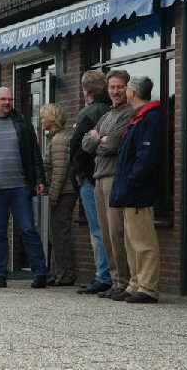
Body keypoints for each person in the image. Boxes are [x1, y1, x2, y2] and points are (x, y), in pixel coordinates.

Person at [0, 87, 48, 289]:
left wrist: (39, 178)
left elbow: (34, 154)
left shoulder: (22, 123)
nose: (7, 102)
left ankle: (40, 273)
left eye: (10, 99)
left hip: (20, 186)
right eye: (3, 99)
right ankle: (0, 273)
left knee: (28, 228)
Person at [82, 69, 135, 299]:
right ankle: (115, 281)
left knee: (116, 232)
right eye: (112, 87)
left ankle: (124, 281)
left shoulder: (128, 113)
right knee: (105, 233)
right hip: (99, 177)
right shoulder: (106, 115)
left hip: (114, 176)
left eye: (119, 87)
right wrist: (98, 139)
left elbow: (113, 145)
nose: (115, 92)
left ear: (127, 88)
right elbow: (85, 143)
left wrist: (98, 139)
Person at [109, 75, 162, 304]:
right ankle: (134, 283)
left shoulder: (149, 119)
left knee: (143, 242)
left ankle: (148, 287)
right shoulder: (139, 119)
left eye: (127, 87)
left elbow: (146, 157)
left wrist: (131, 182)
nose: (125, 90)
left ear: (134, 92)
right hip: (130, 192)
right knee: (132, 241)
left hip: (138, 192)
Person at [71, 71, 114, 295]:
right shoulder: (111, 111)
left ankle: (103, 275)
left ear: (86, 91)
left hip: (91, 177)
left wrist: (77, 171)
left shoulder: (89, 112)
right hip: (107, 174)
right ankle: (110, 274)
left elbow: (77, 144)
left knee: (98, 229)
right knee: (109, 227)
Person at [40, 103, 78, 287]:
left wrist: (53, 195)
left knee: (60, 233)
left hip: (64, 192)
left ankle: (65, 273)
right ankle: (57, 272)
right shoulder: (55, 138)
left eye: (43, 117)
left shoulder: (58, 140)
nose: (41, 121)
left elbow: (60, 171)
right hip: (63, 191)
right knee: (56, 233)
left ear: (51, 119)